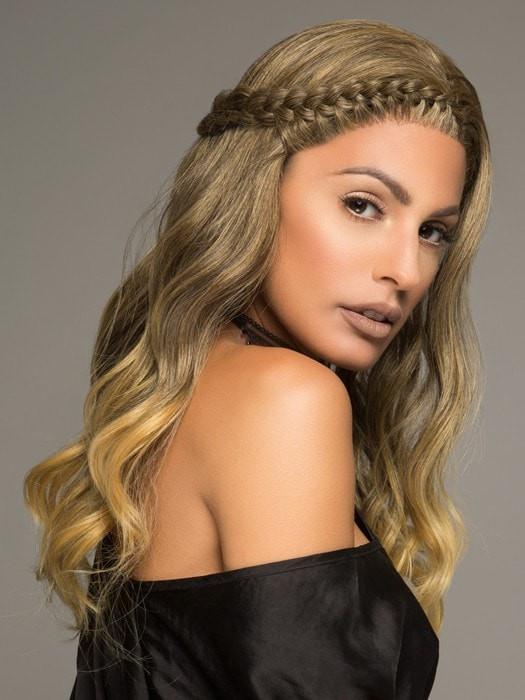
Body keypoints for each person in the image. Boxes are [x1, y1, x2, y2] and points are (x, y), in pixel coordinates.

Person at [23, 17, 492, 699]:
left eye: (432, 232)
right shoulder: (286, 397)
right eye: (362, 205)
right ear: (255, 188)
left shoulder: (197, 390)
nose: (406, 269)